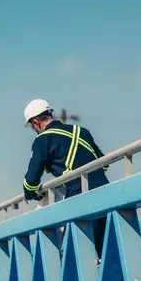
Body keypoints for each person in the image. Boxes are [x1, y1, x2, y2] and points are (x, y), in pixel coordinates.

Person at [22, 98, 109, 257]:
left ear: (36, 122)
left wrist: (33, 194)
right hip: (106, 192)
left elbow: (31, 181)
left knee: (76, 256)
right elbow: (104, 164)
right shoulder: (82, 131)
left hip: (79, 197)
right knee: (106, 252)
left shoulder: (43, 139)